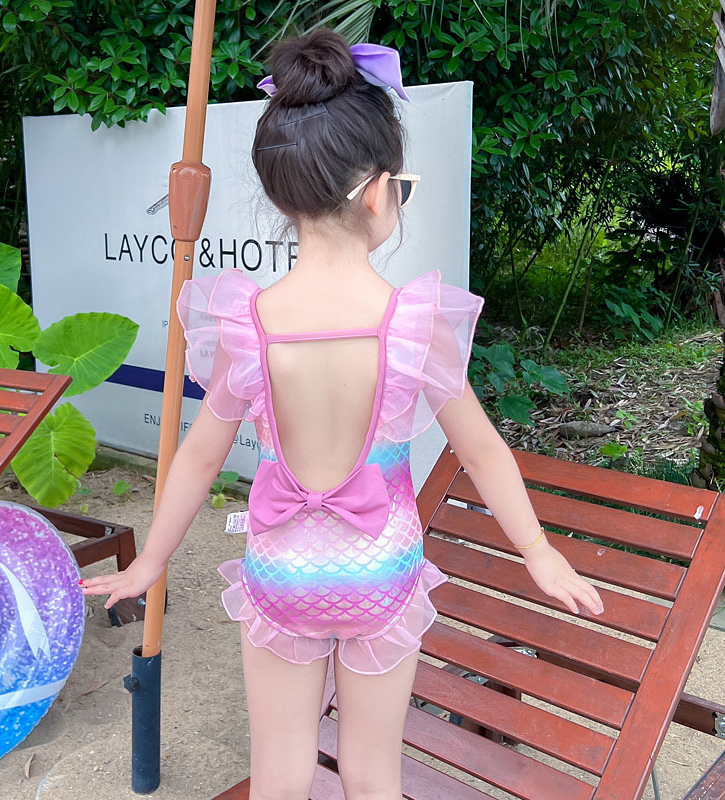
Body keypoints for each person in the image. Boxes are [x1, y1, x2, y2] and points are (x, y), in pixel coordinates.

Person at [80, 27, 604, 800]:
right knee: (370, 773)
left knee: (281, 773)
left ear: (280, 196)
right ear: (378, 193)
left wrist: (150, 562)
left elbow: (198, 457)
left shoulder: (248, 324)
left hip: (283, 572)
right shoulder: (412, 323)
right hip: (380, 572)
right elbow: (483, 452)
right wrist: (538, 551)